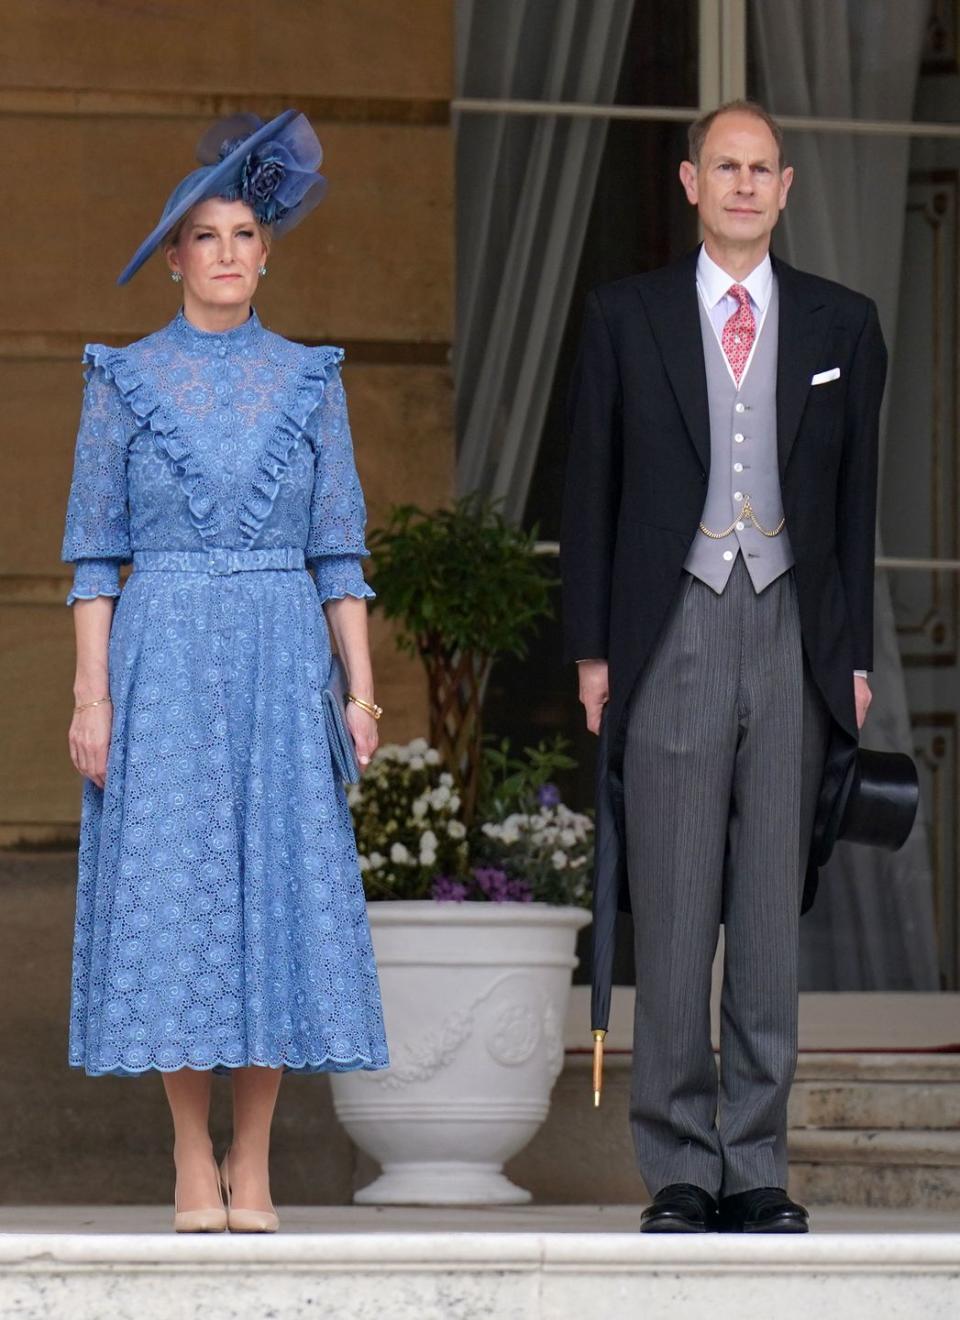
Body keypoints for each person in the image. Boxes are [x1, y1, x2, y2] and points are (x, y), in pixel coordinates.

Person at [561, 101, 885, 1233]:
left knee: (766, 918)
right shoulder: (624, 315)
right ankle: (681, 1167)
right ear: (690, 181)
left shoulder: (845, 325)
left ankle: (755, 1166)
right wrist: (596, 650)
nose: (744, 184)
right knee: (677, 902)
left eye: (763, 169)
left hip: (794, 630)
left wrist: (851, 662)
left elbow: (855, 514)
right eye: (725, 167)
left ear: (786, 188)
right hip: (673, 633)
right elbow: (589, 492)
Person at [62, 110, 389, 1233]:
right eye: (206, 236)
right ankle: (187, 1158)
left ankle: (254, 1163)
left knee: (275, 895)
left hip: (278, 651)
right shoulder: (121, 379)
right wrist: (90, 695)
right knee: (176, 898)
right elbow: (94, 556)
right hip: (161, 658)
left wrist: (360, 688)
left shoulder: (311, 380)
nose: (229, 254)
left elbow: (339, 550)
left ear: (266, 252)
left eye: (246, 233)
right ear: (174, 256)